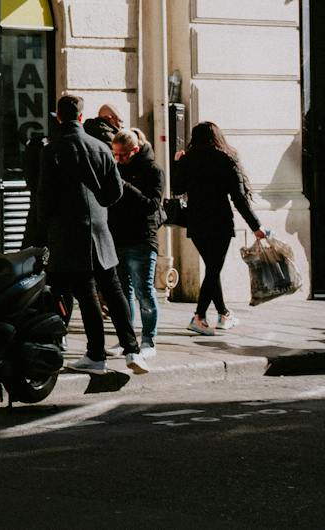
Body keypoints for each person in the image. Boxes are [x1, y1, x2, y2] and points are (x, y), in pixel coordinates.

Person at [41, 94, 145, 373]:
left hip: (69, 231)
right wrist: (99, 208)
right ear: (81, 117)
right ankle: (133, 351)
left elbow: (45, 198)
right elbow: (115, 192)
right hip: (100, 229)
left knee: (87, 294)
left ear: (59, 117)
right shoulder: (100, 147)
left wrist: (48, 226)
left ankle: (96, 355)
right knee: (113, 289)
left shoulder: (52, 151)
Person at [174, 121, 267, 335]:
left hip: (196, 222)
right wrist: (256, 226)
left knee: (212, 269)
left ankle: (224, 314)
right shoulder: (225, 159)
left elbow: (178, 189)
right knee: (213, 269)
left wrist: (179, 163)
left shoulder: (188, 160)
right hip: (220, 222)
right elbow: (239, 199)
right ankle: (199, 317)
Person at [109, 128, 163, 358]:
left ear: (135, 149)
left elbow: (152, 205)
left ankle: (149, 340)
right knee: (122, 293)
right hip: (118, 238)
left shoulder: (152, 170)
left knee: (144, 291)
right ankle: (126, 339)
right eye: (115, 154)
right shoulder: (116, 169)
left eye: (122, 155)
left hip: (141, 239)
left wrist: (125, 187)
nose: (118, 159)